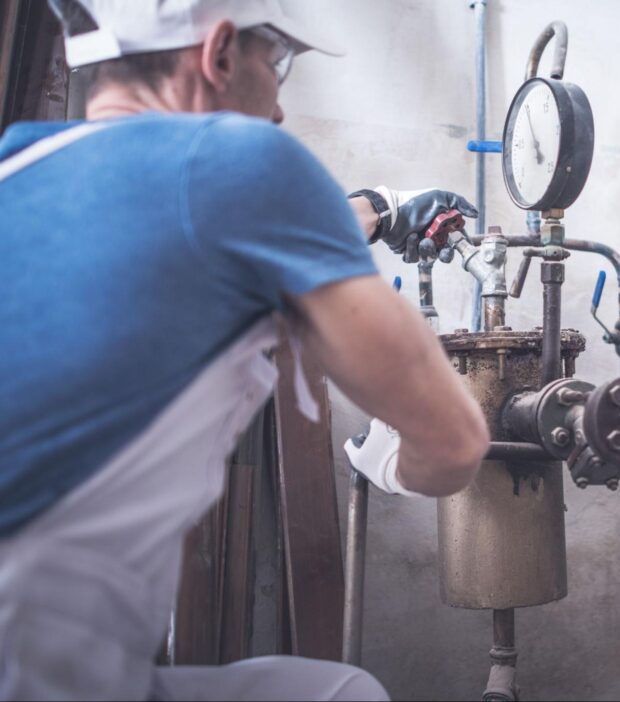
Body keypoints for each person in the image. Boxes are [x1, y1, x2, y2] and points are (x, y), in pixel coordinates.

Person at [0, 0, 490, 699]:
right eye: (279, 63)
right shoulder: (246, 158)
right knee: (346, 694)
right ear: (220, 53)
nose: (282, 111)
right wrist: (391, 468)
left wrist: (377, 209)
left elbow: (174, 223)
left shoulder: (19, 164)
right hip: (43, 667)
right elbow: (452, 444)